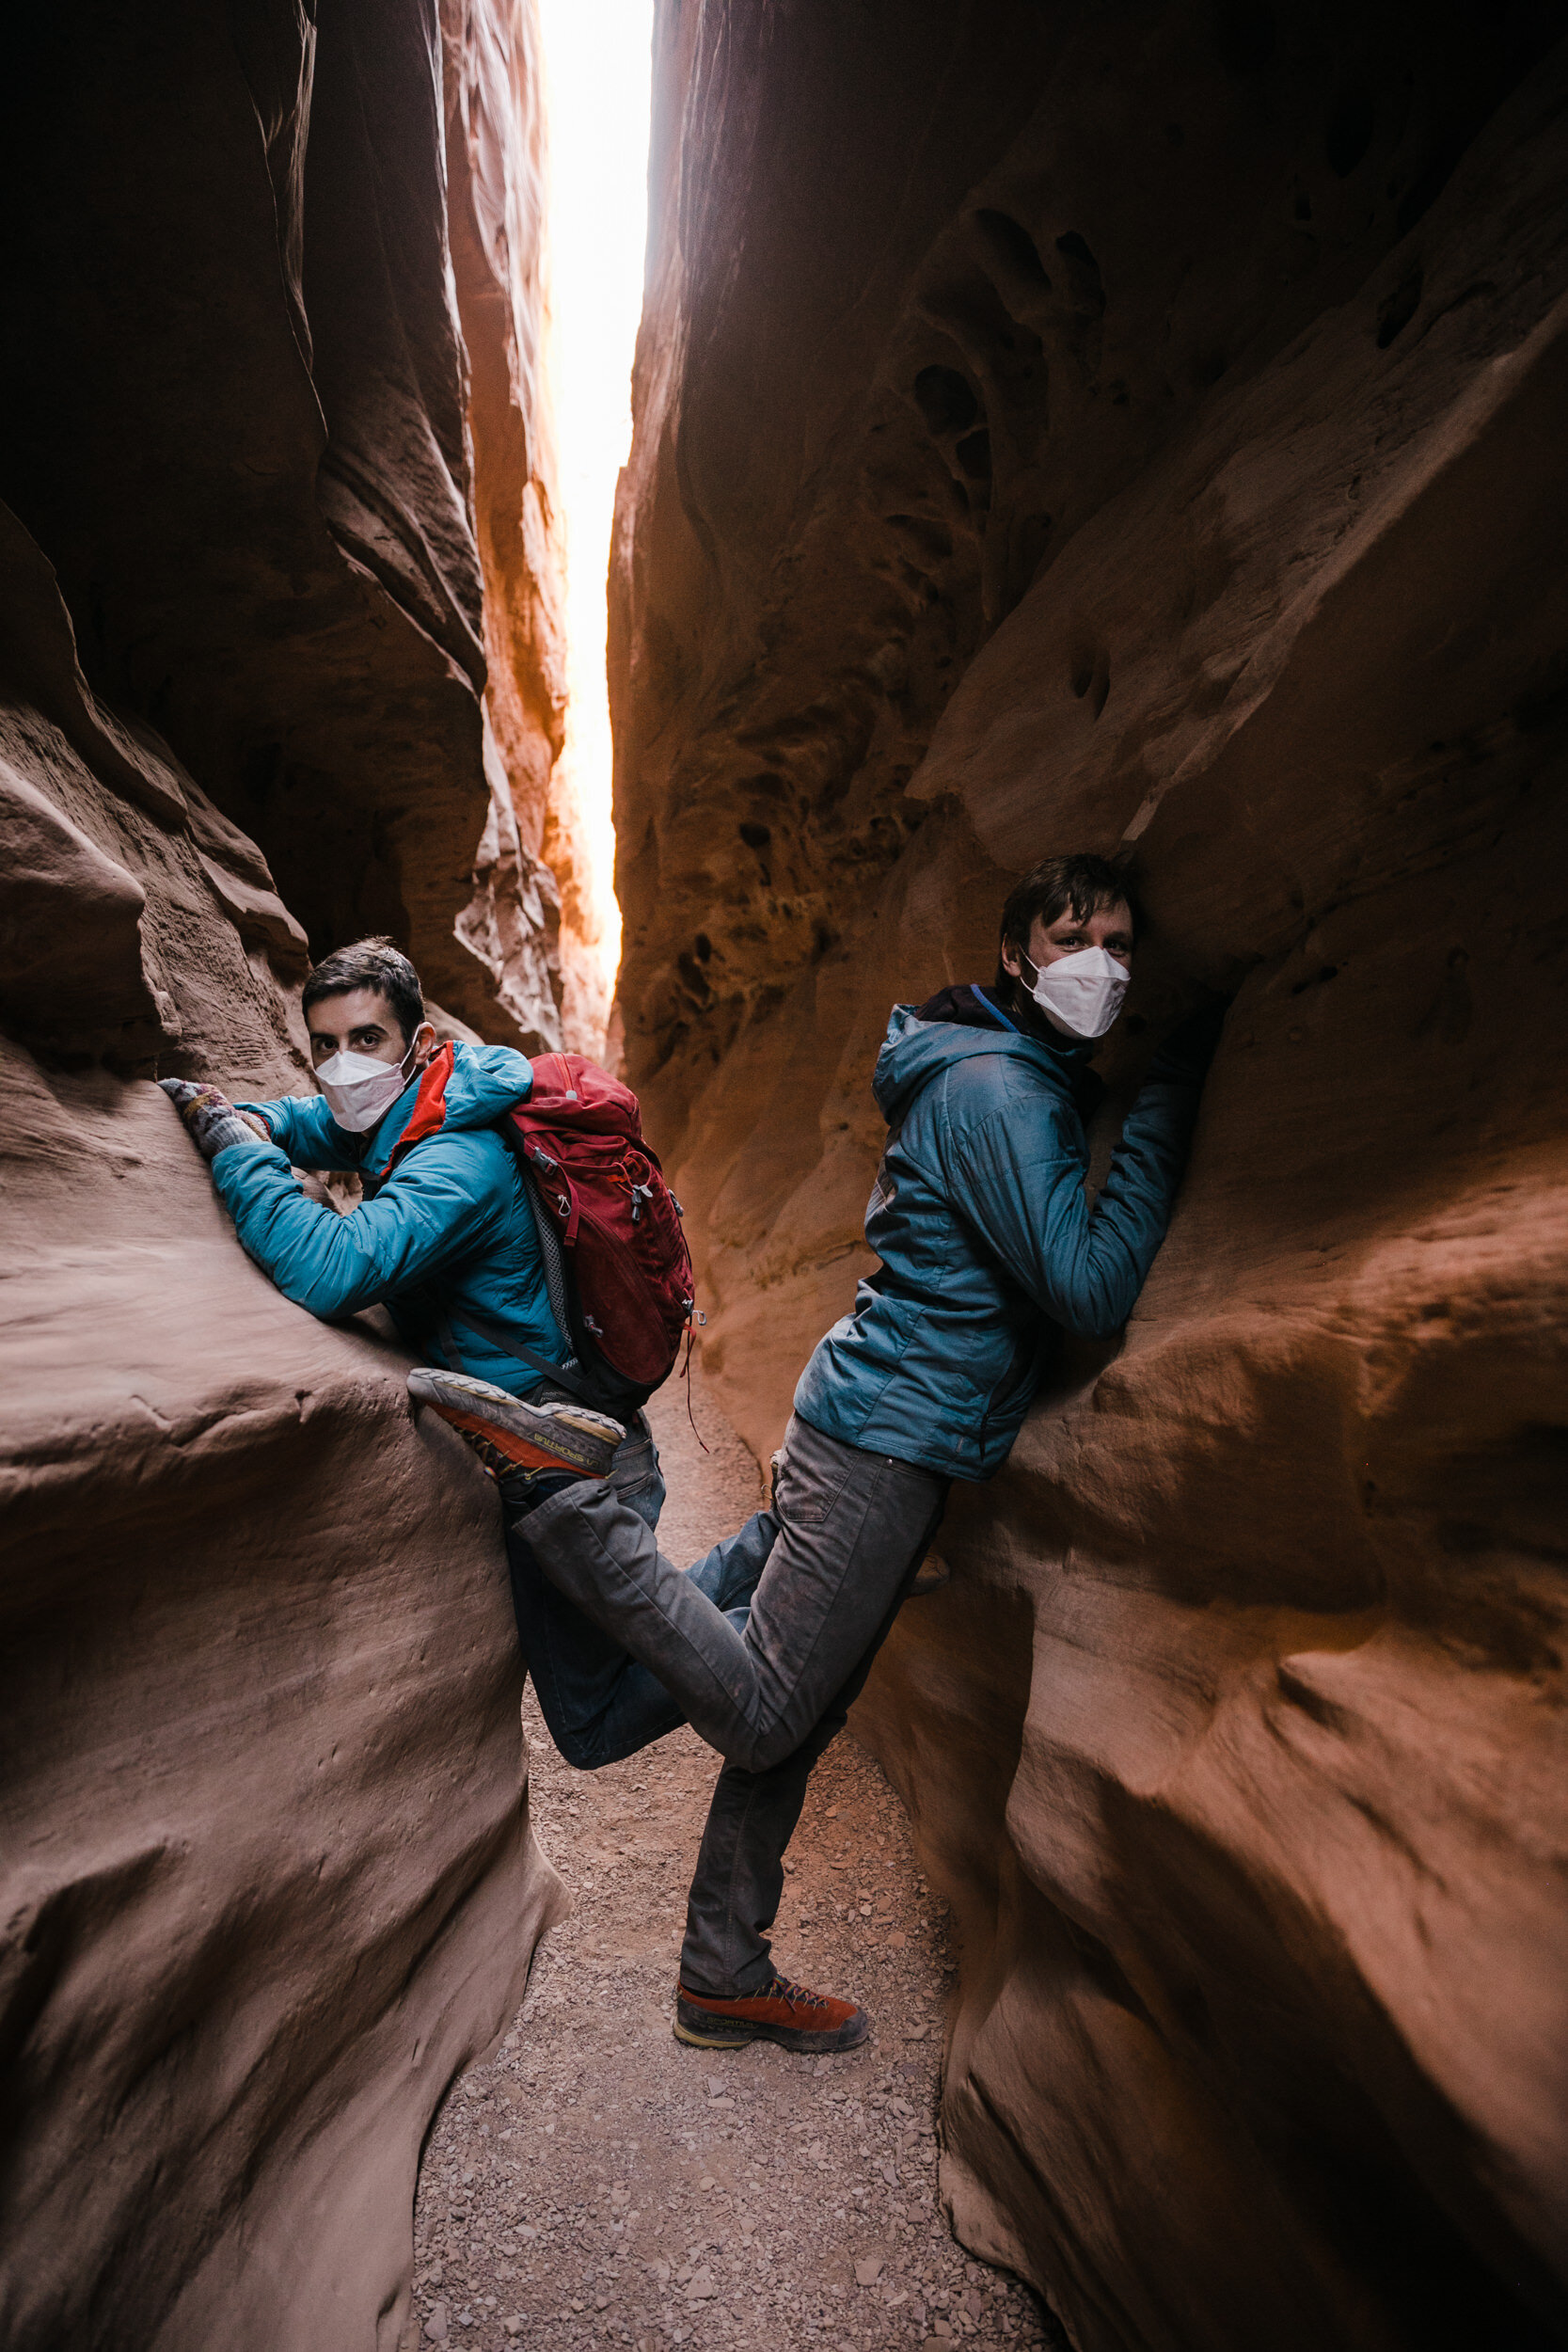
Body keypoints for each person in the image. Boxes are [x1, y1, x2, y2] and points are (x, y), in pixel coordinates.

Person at [409, 853, 1227, 2058]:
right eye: (1071, 942)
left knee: (805, 1695)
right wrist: (1160, 1102)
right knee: (765, 1711)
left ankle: (722, 1971)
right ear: (1018, 957)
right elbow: (1089, 1283)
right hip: (889, 1440)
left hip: (883, 1422)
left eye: (1117, 941)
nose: (1098, 965)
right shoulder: (999, 1090)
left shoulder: (994, 1066)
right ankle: (565, 1500)